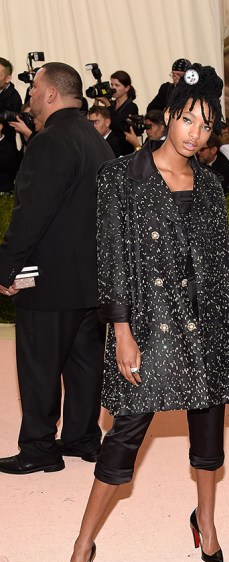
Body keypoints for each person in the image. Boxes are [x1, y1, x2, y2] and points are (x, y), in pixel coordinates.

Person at [63, 63, 229, 562]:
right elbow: (112, 258)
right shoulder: (121, 176)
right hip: (149, 322)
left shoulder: (209, 186)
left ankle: (205, 521)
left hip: (206, 324)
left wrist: (228, 332)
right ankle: (82, 545)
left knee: (208, 436)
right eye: (187, 119)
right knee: (124, 438)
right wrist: (121, 330)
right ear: (167, 116)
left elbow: (219, 263)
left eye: (206, 125)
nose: (195, 133)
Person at [0, 62, 114, 475]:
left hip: (47, 281)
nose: (29, 95)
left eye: (34, 88)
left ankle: (39, 448)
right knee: (85, 364)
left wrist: (5, 268)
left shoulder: (49, 141)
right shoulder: (97, 141)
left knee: (39, 367)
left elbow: (31, 214)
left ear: (50, 93)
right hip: (90, 283)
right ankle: (82, 438)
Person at [96, 70, 139, 156]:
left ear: (127, 88)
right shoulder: (112, 104)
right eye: (112, 85)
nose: (113, 88)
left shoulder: (131, 107)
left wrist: (108, 105)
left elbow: (118, 126)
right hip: (109, 147)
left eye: (117, 85)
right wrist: (96, 102)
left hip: (123, 150)